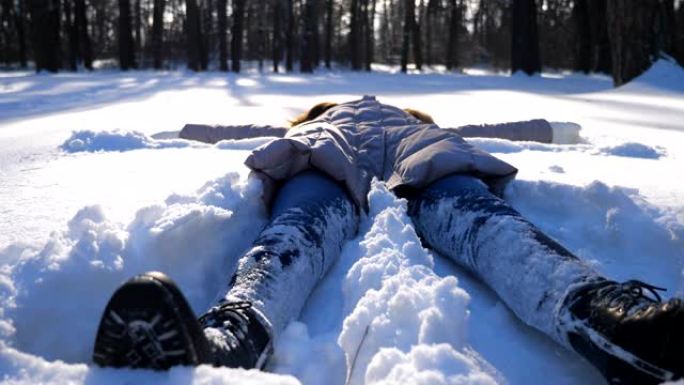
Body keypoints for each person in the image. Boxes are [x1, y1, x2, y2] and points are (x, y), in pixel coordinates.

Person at [92, 96, 682, 385]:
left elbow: (494, 129)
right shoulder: (311, 122)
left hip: (419, 153)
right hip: (326, 152)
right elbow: (237, 130)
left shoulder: (417, 122)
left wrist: (559, 130)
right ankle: (227, 339)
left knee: (483, 219)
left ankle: (607, 319)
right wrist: (175, 130)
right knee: (296, 229)